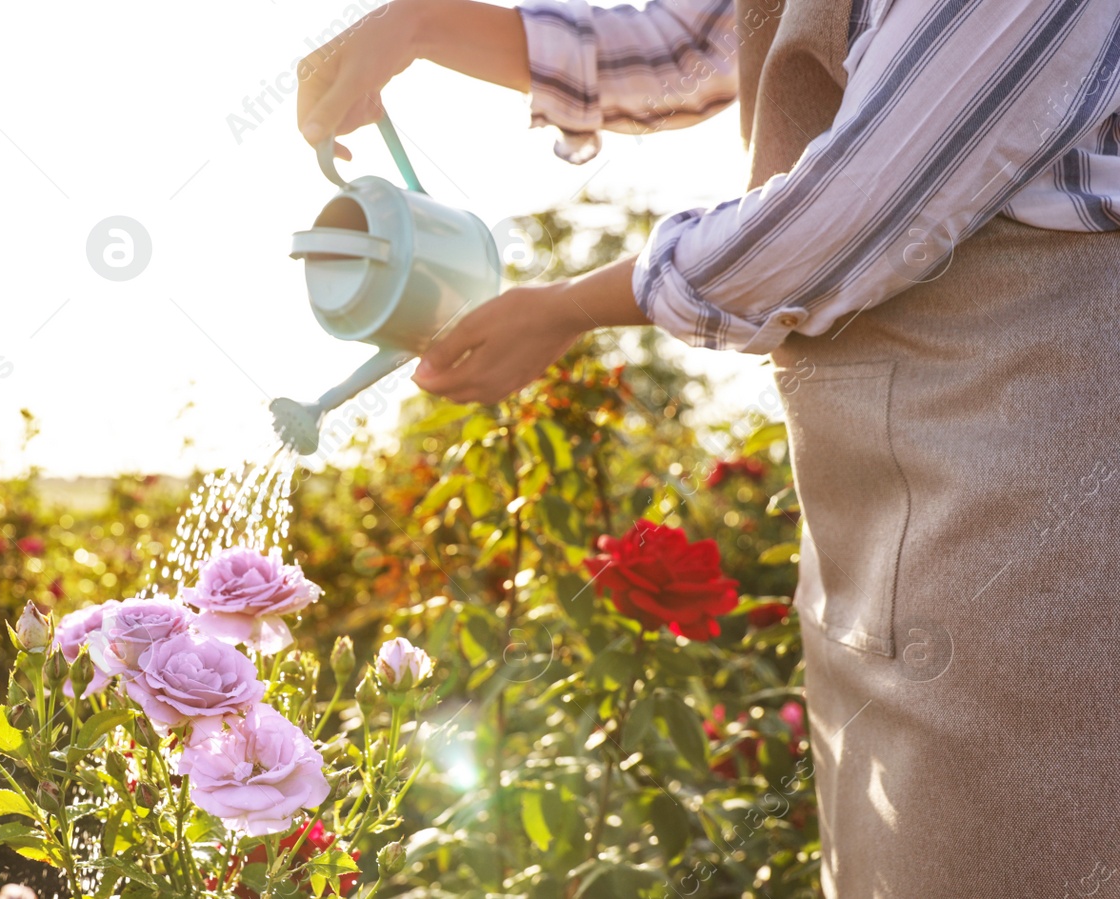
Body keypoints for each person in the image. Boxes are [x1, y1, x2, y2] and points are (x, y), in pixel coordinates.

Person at [298, 0, 1120, 896]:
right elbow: (689, 46)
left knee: (1025, 839)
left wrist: (566, 307)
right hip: (893, 488)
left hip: (1035, 475)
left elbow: (844, 214)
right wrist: (415, 26)